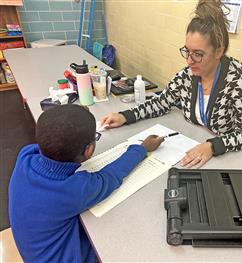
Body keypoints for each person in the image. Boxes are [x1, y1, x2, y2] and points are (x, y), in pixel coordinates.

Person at [101, 0, 242, 167]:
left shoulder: (239, 79)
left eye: (198, 54)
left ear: (219, 51)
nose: (189, 60)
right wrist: (125, 116)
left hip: (238, 157)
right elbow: (161, 102)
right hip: (201, 146)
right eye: (187, 51)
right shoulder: (188, 75)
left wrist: (212, 146)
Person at [9, 104, 163, 263]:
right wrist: (142, 148)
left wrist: (76, 116)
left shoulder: (25, 156)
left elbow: (55, 138)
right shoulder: (73, 189)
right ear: (88, 150)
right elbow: (110, 176)